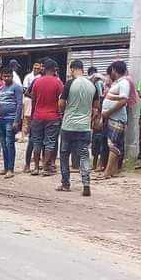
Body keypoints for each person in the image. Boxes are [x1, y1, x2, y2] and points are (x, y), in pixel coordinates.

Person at [56, 60, 99, 196]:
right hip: (84, 127)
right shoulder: (92, 85)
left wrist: (65, 110)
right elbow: (96, 106)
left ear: (72, 69)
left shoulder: (69, 84)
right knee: (84, 155)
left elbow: (61, 104)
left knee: (64, 154)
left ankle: (65, 183)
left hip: (68, 125)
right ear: (82, 69)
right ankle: (86, 184)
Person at [97, 60, 135, 180]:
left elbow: (123, 101)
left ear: (114, 70)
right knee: (113, 144)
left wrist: (108, 112)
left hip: (116, 118)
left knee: (113, 145)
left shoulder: (124, 83)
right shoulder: (118, 83)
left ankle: (108, 171)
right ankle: (112, 170)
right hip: (113, 117)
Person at [29, 59, 63, 176]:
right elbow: (61, 101)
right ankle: (45, 167)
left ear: (44, 68)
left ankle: (36, 168)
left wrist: (33, 115)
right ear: (54, 69)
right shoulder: (58, 82)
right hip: (53, 116)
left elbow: (33, 99)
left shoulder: (37, 82)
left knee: (37, 142)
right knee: (50, 142)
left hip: (38, 116)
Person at [0, 70, 23, 178]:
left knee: (9, 143)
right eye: (5, 76)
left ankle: (11, 169)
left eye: (8, 76)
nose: (6, 78)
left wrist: (16, 121)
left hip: (11, 119)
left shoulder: (16, 87)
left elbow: (20, 104)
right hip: (1, 119)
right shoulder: (1, 89)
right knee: (3, 144)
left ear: (12, 76)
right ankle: (6, 168)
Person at [21, 61, 43, 173]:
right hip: (36, 113)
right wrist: (36, 97)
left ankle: (38, 164)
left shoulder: (52, 79)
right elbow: (26, 92)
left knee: (39, 141)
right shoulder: (34, 80)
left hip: (41, 114)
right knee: (33, 140)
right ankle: (29, 164)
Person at [89, 66, 109, 172]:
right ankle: (94, 165)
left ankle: (100, 165)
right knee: (95, 149)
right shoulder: (96, 109)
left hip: (101, 130)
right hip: (96, 130)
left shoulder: (103, 85)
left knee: (101, 147)